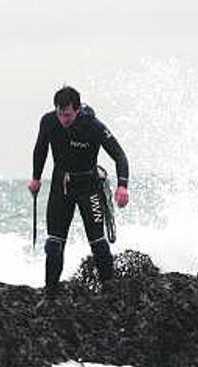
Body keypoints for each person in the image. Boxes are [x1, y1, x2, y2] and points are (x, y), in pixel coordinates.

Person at [28, 86, 130, 293]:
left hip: (89, 187)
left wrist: (122, 186)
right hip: (61, 186)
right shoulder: (49, 121)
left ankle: (110, 292)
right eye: (59, 113)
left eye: (67, 115)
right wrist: (36, 178)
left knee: (98, 242)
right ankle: (51, 293)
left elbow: (119, 155)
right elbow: (40, 149)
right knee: (54, 244)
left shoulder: (93, 125)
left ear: (77, 110)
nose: (63, 119)